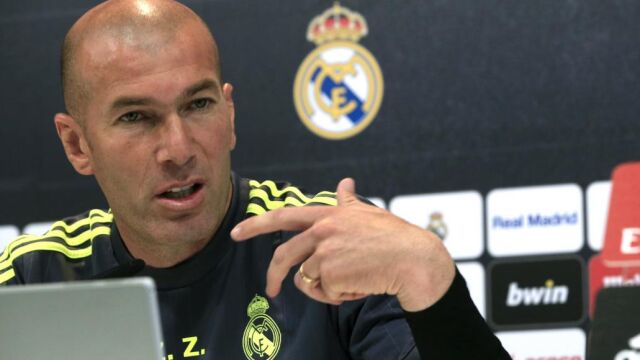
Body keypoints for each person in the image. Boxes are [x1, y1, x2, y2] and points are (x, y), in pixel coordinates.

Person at [0, 0, 509, 358]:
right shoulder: (28, 283)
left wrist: (430, 275)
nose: (178, 149)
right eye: (136, 117)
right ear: (77, 144)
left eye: (198, 105)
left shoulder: (331, 247)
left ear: (230, 115)